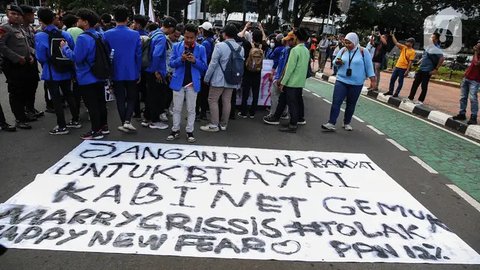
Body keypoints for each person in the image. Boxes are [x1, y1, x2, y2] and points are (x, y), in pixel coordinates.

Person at [61, 8, 109, 140]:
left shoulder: (83, 38)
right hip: (100, 73)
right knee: (100, 102)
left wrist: (65, 48)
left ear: (86, 22)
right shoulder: (100, 34)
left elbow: (77, 58)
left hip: (87, 76)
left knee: (92, 104)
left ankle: (96, 131)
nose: (77, 21)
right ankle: (104, 127)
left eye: (79, 19)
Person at [36, 7, 80, 135]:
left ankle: (62, 126)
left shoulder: (40, 35)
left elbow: (41, 56)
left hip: (51, 71)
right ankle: (75, 120)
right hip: (66, 70)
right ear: (54, 19)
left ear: (40, 20)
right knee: (69, 95)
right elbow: (72, 50)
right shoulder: (65, 34)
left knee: (56, 99)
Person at [322, 32, 376, 132]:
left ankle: (346, 122)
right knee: (336, 102)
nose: (347, 45)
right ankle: (331, 123)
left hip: (356, 83)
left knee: (351, 104)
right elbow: (335, 61)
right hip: (341, 80)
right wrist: (337, 62)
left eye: (349, 43)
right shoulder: (343, 50)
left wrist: (373, 80)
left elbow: (369, 67)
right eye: (345, 42)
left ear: (355, 42)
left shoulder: (363, 52)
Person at [104, 5, 142, 133]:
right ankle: (127, 121)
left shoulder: (107, 34)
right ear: (127, 18)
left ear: (114, 18)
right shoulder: (135, 34)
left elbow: (106, 54)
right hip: (131, 70)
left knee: (120, 97)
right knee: (132, 97)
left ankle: (124, 122)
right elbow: (138, 55)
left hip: (115, 70)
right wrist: (138, 71)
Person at [0, 4, 38, 129]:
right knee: (16, 92)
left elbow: (25, 44)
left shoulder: (20, 28)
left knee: (24, 89)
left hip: (25, 63)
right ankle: (19, 119)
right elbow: (2, 46)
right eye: (13, 14)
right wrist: (17, 58)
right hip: (13, 65)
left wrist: (30, 55)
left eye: (18, 14)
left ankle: (23, 115)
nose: (16, 16)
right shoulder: (4, 28)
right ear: (7, 14)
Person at [167, 23, 207, 143]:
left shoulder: (201, 49)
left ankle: (190, 131)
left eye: (191, 37)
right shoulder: (176, 46)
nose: (189, 40)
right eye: (186, 37)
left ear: (196, 36)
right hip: (178, 81)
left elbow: (205, 67)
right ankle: (175, 130)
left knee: (191, 109)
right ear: (183, 35)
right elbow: (171, 63)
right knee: (176, 108)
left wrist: (195, 61)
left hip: (192, 83)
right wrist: (181, 59)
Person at [201, 24, 245, 132]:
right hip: (232, 79)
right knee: (227, 101)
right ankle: (224, 124)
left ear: (224, 34)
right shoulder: (241, 48)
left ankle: (214, 124)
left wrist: (206, 78)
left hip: (218, 79)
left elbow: (213, 64)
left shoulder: (219, 46)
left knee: (212, 100)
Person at [268, 28, 310, 133]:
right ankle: (276, 116)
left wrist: (282, 82)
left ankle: (293, 125)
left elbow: (289, 69)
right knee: (283, 100)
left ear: (296, 37)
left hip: (291, 82)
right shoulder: (306, 50)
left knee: (292, 104)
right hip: (299, 82)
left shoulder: (295, 50)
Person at [142, 16, 177, 130]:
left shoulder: (154, 33)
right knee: (157, 96)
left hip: (148, 69)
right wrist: (156, 70)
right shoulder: (161, 38)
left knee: (150, 94)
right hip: (156, 70)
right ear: (171, 28)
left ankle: (147, 118)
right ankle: (154, 120)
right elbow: (157, 55)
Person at [263, 32, 295, 125]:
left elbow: (285, 66)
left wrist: (279, 78)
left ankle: (273, 114)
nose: (287, 41)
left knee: (275, 94)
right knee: (283, 97)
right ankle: (283, 113)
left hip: (282, 77)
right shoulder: (286, 50)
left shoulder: (288, 51)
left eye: (289, 40)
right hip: (284, 77)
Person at [406, 32, 444, 105]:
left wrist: (436, 69)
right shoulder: (428, 47)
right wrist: (418, 63)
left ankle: (420, 101)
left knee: (424, 85)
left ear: (436, 40)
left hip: (428, 70)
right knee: (415, 83)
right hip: (421, 68)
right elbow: (424, 57)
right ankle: (410, 97)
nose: (430, 38)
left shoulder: (437, 48)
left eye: (432, 37)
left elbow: (442, 59)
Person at [239, 22, 267, 119]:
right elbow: (265, 39)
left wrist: (246, 27)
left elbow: (240, 36)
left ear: (252, 37)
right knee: (255, 94)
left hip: (247, 72)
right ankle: (252, 113)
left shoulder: (247, 45)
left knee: (245, 93)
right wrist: (261, 29)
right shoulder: (262, 47)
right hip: (257, 73)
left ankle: (243, 112)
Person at [20, 5, 42, 120]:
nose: (33, 17)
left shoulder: (30, 28)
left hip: (32, 62)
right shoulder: (18, 28)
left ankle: (30, 108)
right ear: (25, 15)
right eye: (31, 15)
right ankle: (24, 112)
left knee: (33, 84)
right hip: (22, 62)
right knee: (23, 87)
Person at [452, 41, 480, 125]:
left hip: (475, 80)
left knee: (473, 98)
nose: (476, 46)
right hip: (467, 78)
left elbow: (476, 63)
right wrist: (465, 74)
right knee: (463, 97)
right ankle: (462, 113)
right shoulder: (476, 54)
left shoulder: (476, 55)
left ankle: (473, 117)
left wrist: (476, 52)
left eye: (478, 46)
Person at [196, 21, 215, 120]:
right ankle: (202, 113)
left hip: (203, 71)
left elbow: (204, 57)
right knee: (204, 93)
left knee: (200, 93)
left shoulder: (205, 42)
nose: (200, 31)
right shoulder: (212, 40)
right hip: (208, 71)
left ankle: (198, 113)